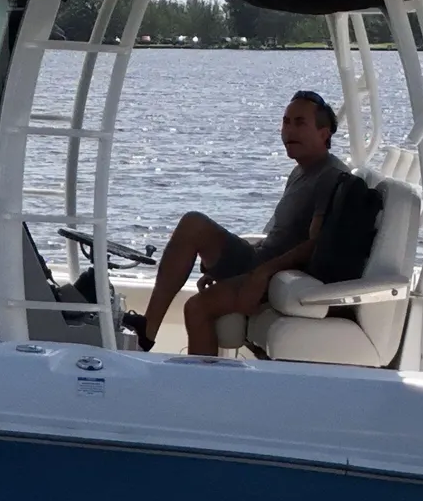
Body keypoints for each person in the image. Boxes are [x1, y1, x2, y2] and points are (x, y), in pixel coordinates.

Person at [136, 89, 344, 357]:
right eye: (286, 122)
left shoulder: (332, 177)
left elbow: (315, 244)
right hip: (259, 259)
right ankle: (147, 330)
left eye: (300, 123)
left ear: (324, 133)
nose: (289, 131)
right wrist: (222, 267)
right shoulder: (301, 170)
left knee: (197, 307)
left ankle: (199, 385)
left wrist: (262, 274)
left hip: (279, 276)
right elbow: (279, 236)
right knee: (193, 224)